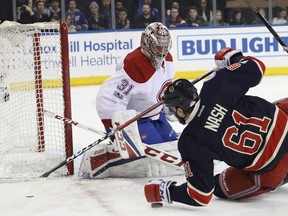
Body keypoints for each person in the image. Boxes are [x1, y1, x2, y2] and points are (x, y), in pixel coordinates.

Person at [144, 47, 288, 206]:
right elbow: (257, 67)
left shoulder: (189, 141)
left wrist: (165, 192)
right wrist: (234, 59)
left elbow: (200, 195)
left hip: (274, 167)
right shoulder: (217, 84)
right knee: (275, 108)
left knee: (219, 187)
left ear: (180, 110)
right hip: (285, 121)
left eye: (172, 110)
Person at [78, 22, 180, 179]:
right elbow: (107, 98)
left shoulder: (168, 59)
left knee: (173, 148)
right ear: (147, 43)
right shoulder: (136, 65)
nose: (163, 52)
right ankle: (102, 161)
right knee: (153, 154)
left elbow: (162, 86)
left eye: (165, 47)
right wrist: (118, 127)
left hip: (156, 117)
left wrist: (168, 105)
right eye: (159, 48)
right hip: (137, 120)